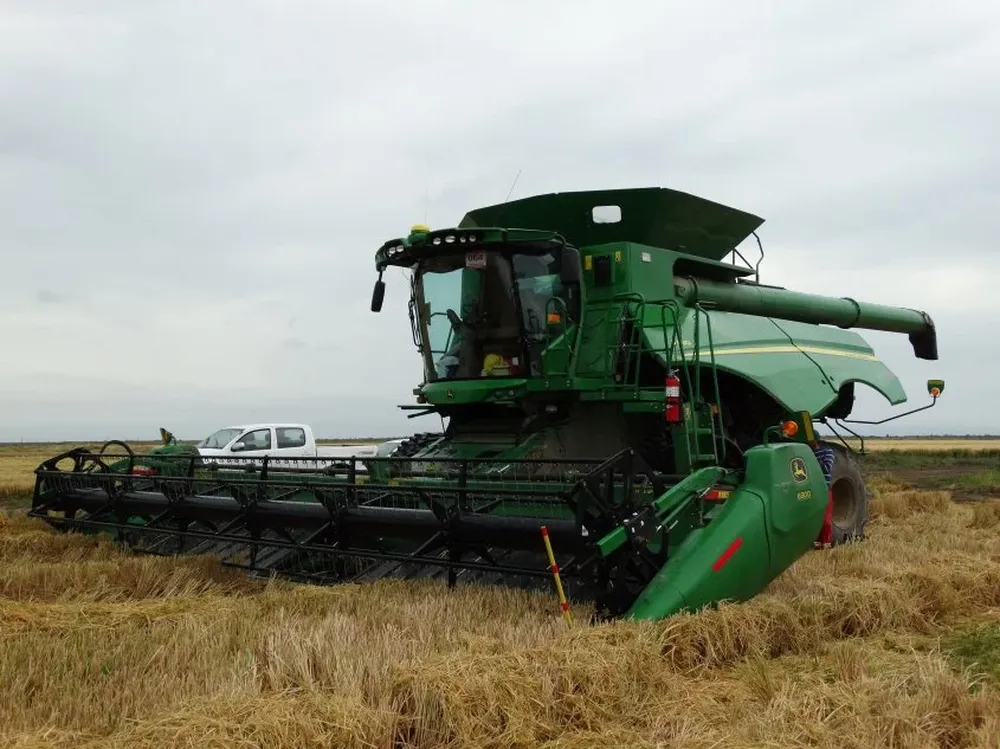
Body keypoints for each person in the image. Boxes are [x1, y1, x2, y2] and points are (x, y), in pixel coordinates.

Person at [812, 441, 835, 549]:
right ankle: (817, 545)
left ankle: (826, 545)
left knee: (825, 521)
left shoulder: (828, 451)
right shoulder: (808, 453)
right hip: (813, 491)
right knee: (815, 520)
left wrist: (811, 461)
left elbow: (827, 468)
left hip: (824, 490)